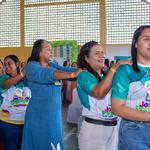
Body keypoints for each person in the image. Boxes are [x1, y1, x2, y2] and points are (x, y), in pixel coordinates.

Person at [21, 39, 82, 150]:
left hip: (54, 116)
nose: (51, 52)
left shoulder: (52, 66)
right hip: (38, 117)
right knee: (39, 144)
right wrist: (72, 74)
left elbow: (66, 69)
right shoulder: (31, 66)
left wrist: (84, 70)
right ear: (39, 52)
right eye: (48, 49)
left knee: (54, 144)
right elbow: (45, 75)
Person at [76, 41, 131, 150]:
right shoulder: (84, 76)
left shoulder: (105, 76)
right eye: (97, 53)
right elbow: (99, 92)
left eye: (102, 52)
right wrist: (115, 68)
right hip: (94, 131)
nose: (102, 56)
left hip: (114, 128)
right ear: (86, 58)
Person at [111, 25, 150, 150]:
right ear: (136, 43)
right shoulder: (125, 71)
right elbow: (117, 108)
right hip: (135, 131)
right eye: (146, 39)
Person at [0, 55, 30, 150]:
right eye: (5, 65)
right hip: (8, 123)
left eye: (9, 63)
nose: (6, 66)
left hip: (25, 122)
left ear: (17, 64)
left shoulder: (26, 80)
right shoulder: (4, 77)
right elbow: (5, 85)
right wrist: (21, 75)